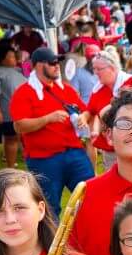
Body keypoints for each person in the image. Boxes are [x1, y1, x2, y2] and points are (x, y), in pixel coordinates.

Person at [11, 47, 96, 218]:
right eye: (52, 63)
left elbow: (87, 111)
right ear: (38, 66)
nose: (57, 66)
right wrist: (47, 119)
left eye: (58, 62)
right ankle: (53, 244)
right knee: (50, 208)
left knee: (91, 198)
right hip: (44, 159)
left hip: (74, 153)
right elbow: (19, 126)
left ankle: (90, 240)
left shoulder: (66, 89)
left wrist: (83, 118)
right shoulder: (24, 92)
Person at [0, 40, 27, 168]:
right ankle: (10, 167)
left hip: (24, 111)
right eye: (10, 56)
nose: (13, 58)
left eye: (13, 55)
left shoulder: (18, 71)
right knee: (11, 139)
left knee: (25, 139)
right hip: (8, 112)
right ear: (2, 59)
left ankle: (29, 165)